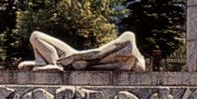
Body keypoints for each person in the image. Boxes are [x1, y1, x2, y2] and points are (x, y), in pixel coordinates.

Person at [18, 31, 146, 72]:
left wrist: (74, 56)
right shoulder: (126, 64)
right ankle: (41, 62)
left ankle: (54, 64)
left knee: (35, 36)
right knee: (23, 64)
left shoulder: (129, 39)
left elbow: (99, 53)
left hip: (76, 58)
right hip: (81, 63)